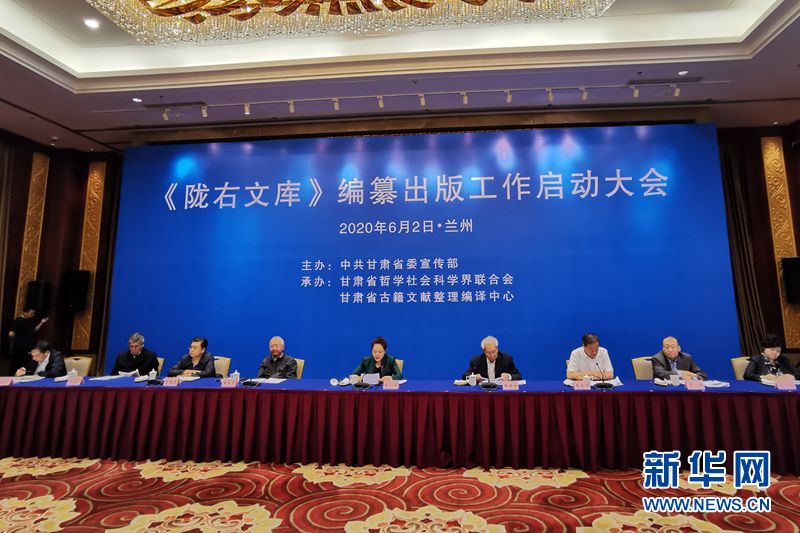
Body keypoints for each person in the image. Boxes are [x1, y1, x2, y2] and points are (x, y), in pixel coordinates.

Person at [7, 306, 48, 375]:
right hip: (20, 348)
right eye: (31, 313)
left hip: (28, 348)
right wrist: (18, 340)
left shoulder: (29, 321)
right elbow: (11, 333)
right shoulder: (19, 320)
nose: (33, 315)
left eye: (34, 313)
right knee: (17, 365)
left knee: (26, 365)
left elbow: (33, 331)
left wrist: (42, 322)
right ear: (25, 312)